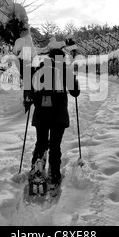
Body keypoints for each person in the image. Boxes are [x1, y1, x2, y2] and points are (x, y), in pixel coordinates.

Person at [29, 48, 80, 186]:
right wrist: (74, 79)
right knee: (55, 146)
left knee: (41, 143)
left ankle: (37, 170)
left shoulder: (40, 69)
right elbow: (75, 92)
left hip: (41, 114)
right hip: (59, 115)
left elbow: (30, 91)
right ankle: (54, 174)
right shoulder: (65, 71)